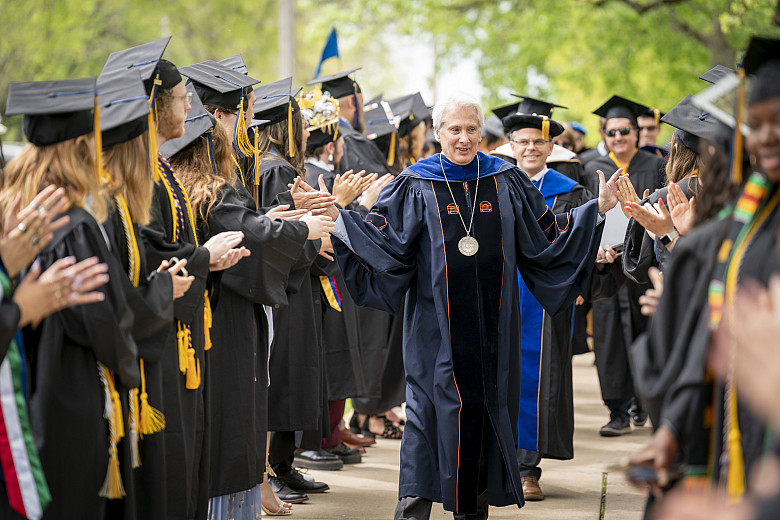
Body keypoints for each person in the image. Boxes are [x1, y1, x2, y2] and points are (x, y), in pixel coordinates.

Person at [325, 92, 620, 519]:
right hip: (433, 330)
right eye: (454, 130)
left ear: (482, 133)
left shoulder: (506, 179)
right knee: (425, 416)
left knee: (479, 414)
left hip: (491, 331)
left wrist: (597, 209)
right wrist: (339, 218)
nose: (463, 139)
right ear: (438, 133)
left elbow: (545, 234)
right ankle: (413, 508)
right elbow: (383, 241)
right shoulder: (416, 181)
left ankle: (471, 510)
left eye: (471, 129)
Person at [628, 36, 780, 513]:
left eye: (779, 121)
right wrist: (672, 429)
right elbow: (707, 338)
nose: (767, 136)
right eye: (756, 125)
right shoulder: (742, 224)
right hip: (730, 430)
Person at [104, 39, 250, 520]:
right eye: (181, 95)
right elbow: (148, 253)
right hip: (157, 343)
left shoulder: (159, 168)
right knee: (167, 465)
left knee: (187, 459)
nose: (189, 105)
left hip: (181, 337)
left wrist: (206, 260)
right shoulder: (133, 176)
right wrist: (204, 256)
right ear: (152, 104)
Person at [2, 77, 142, 519]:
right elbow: (103, 319)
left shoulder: (8, 205)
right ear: (83, 143)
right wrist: (130, 362)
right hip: (66, 393)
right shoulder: (74, 222)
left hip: (17, 390)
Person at [502, 110, 594, 501]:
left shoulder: (569, 190)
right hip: (499, 293)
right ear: (511, 146)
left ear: (551, 146)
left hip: (544, 299)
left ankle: (527, 469)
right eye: (522, 141)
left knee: (537, 382)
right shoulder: (493, 185)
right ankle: (498, 462)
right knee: (498, 373)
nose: (530, 148)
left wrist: (577, 282)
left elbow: (581, 241)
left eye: (538, 142)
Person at [585, 95, 666, 436]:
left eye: (625, 131)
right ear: (604, 135)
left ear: (636, 132)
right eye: (612, 132)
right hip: (610, 266)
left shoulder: (656, 164)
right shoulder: (592, 169)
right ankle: (617, 410)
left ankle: (645, 402)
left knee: (646, 333)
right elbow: (587, 216)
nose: (618, 137)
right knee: (609, 338)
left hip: (644, 264)